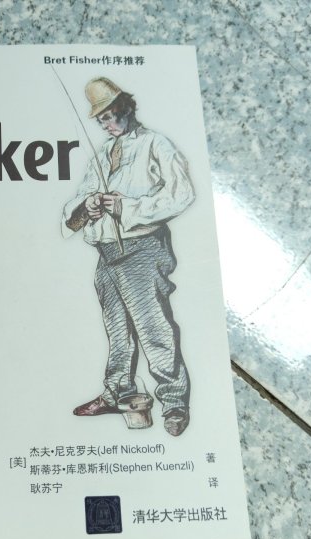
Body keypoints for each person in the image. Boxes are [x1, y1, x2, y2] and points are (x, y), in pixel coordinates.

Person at [62, 77, 195, 436]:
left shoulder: (156, 144)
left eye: (110, 116)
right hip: (107, 253)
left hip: (142, 249)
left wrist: (127, 207)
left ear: (125, 108)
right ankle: (117, 392)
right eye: (100, 119)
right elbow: (78, 203)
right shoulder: (103, 153)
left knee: (154, 329)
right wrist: (88, 206)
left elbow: (181, 195)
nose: (106, 124)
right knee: (118, 331)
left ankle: (174, 403)